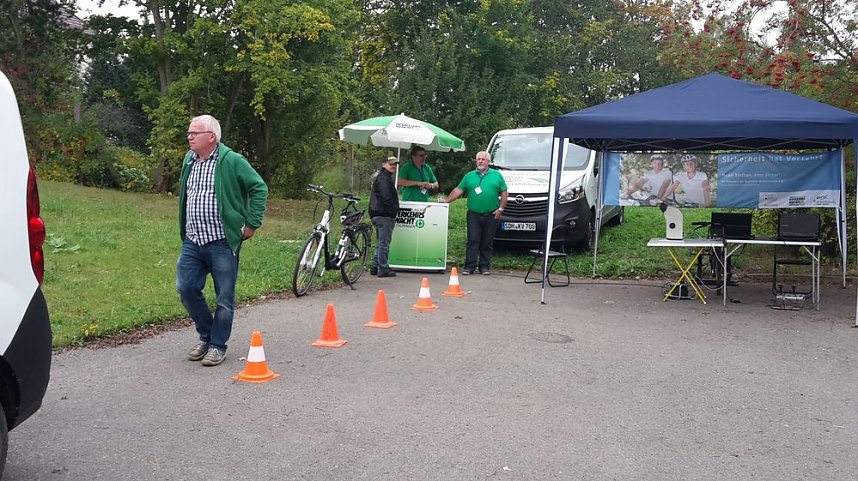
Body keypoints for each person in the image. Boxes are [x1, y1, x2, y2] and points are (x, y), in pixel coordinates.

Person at [177, 114, 269, 366]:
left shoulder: (232, 161)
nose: (189, 137)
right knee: (186, 288)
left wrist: (251, 223)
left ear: (211, 137)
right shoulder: (189, 160)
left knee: (224, 298)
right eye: (189, 132)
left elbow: (259, 188)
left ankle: (217, 345)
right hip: (193, 239)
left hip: (222, 241)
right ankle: (207, 335)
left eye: (194, 133)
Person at [443, 150, 508, 275]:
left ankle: (484, 267)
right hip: (474, 214)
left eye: (483, 159)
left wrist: (501, 209)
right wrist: (447, 201)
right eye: (478, 159)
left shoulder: (497, 175)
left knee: (487, 242)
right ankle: (469, 266)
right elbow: (458, 190)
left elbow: (504, 192)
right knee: (473, 240)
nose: (480, 161)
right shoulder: (469, 176)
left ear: (488, 161)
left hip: (491, 214)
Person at [369, 156, 401, 278]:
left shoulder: (383, 177)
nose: (393, 166)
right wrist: (393, 209)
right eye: (391, 164)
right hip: (384, 214)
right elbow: (386, 196)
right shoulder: (384, 179)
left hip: (378, 214)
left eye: (395, 164)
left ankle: (375, 266)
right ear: (383, 164)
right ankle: (383, 268)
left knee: (380, 242)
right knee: (384, 243)